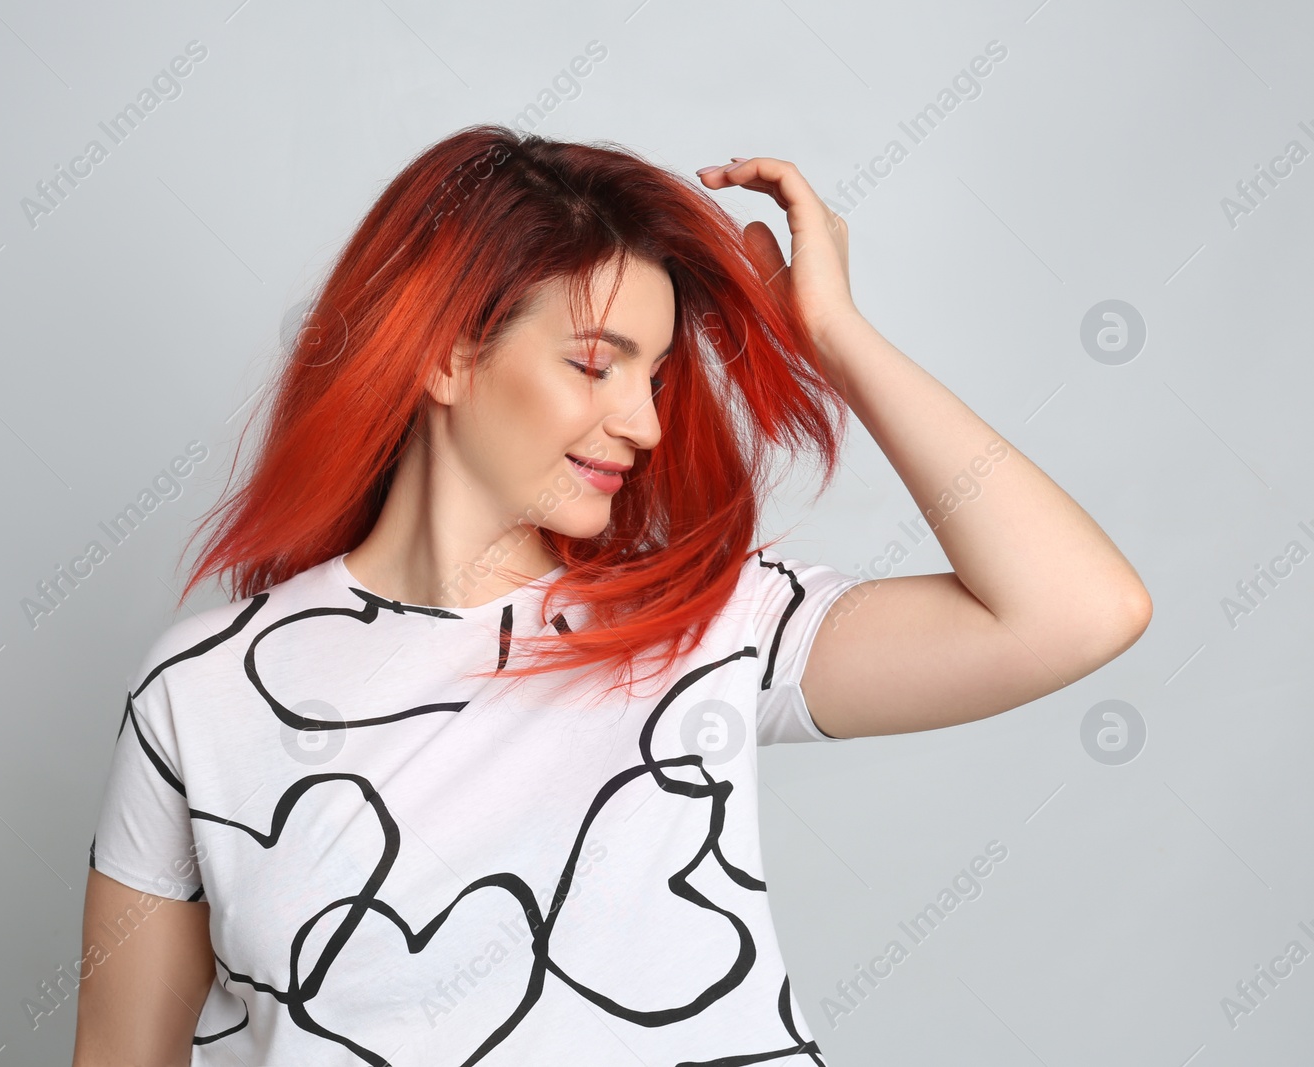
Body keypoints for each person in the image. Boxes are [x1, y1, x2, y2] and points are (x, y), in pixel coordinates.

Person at [70, 126, 1151, 1066]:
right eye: (596, 364)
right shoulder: (205, 692)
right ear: (445, 356)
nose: (642, 420)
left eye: (656, 373)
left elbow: (1075, 610)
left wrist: (831, 333)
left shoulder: (712, 626)